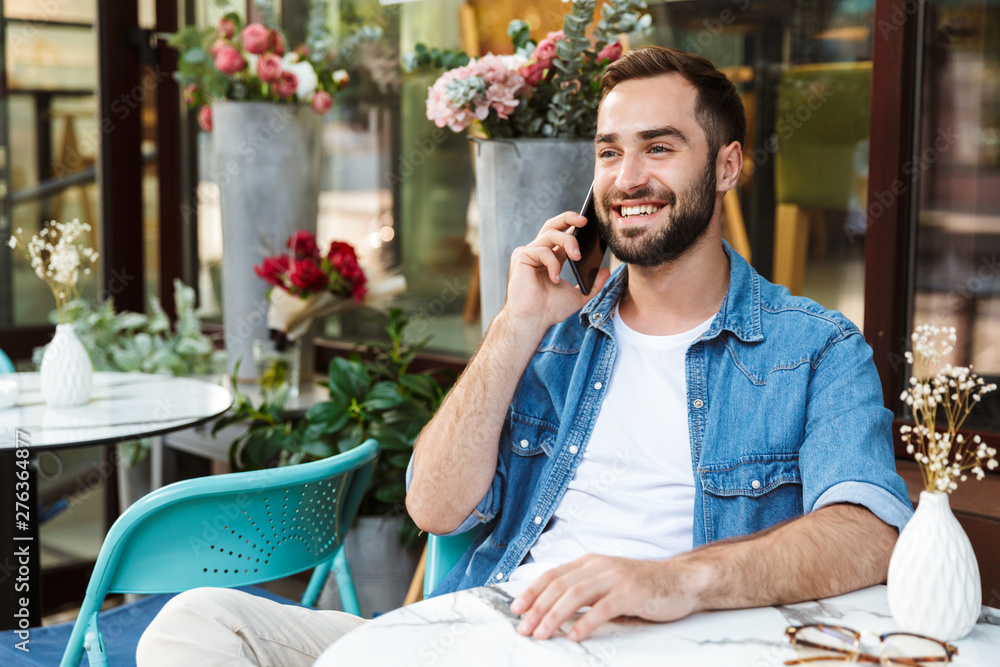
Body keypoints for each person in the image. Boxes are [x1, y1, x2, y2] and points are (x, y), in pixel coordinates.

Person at [136, 46, 911, 664]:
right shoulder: (557, 332)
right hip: (482, 628)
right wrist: (516, 324)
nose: (628, 178)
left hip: (647, 643)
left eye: (660, 148)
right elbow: (434, 506)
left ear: (729, 165)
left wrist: (674, 580)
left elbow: (869, 531)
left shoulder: (813, 347)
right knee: (195, 625)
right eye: (609, 154)